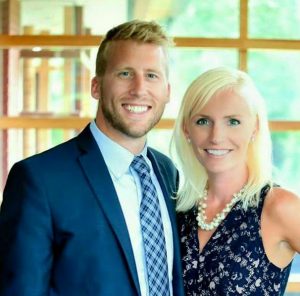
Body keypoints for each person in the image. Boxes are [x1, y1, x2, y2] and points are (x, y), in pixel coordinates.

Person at [0, 20, 184, 296]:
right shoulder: (39, 180)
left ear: (167, 91)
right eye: (124, 73)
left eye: (152, 76)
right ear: (96, 86)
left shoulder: (167, 172)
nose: (139, 88)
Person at [172, 67, 300, 295]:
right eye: (203, 121)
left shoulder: (279, 207)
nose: (216, 137)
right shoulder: (177, 209)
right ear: (186, 129)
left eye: (233, 121)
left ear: (255, 127)